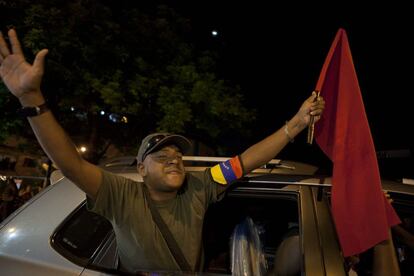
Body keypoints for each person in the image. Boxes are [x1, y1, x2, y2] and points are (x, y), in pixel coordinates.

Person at [0, 28, 325, 273]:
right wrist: (31, 100)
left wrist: (295, 124)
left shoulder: (200, 185)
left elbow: (244, 162)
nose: (173, 158)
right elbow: (70, 163)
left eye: (177, 154)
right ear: (141, 168)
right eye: (161, 154)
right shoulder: (120, 193)